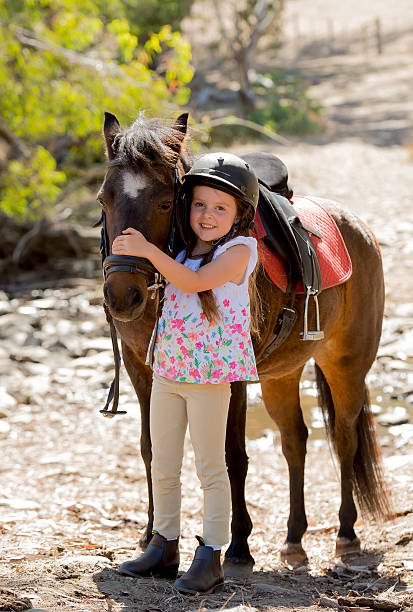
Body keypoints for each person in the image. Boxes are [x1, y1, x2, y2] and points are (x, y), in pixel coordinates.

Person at [112, 152, 260, 594]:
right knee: (164, 462)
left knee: (212, 468)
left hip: (210, 379)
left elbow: (194, 284)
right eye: (199, 205)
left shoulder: (240, 251)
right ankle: (164, 543)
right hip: (169, 373)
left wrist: (145, 249)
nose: (207, 215)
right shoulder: (181, 249)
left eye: (220, 208)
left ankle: (212, 553)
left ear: (239, 215)